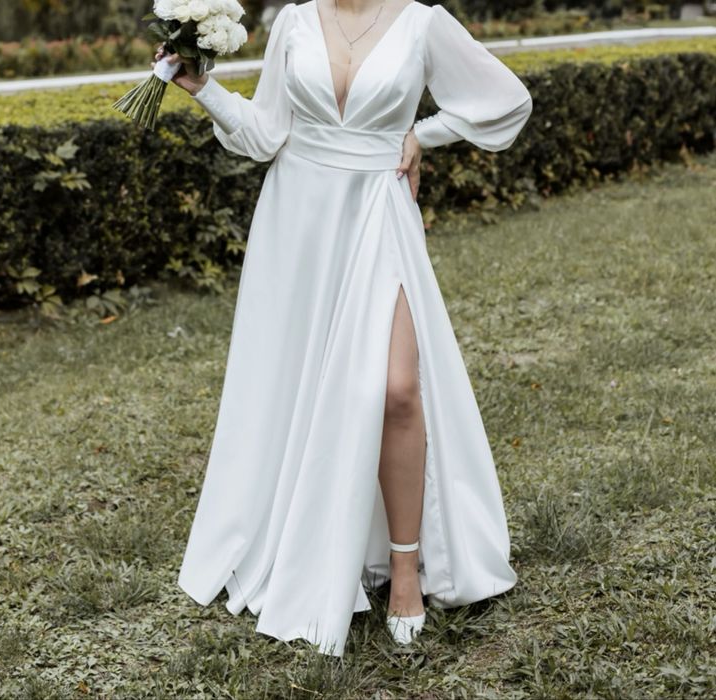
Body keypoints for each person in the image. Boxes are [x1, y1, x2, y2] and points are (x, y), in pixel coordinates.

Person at [163, 0, 533, 657]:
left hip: (377, 211)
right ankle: (320, 543)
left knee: (397, 390)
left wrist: (426, 134)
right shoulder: (294, 21)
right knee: (306, 387)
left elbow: (505, 100)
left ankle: (406, 571)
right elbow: (266, 136)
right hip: (297, 223)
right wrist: (204, 89)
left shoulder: (422, 22)